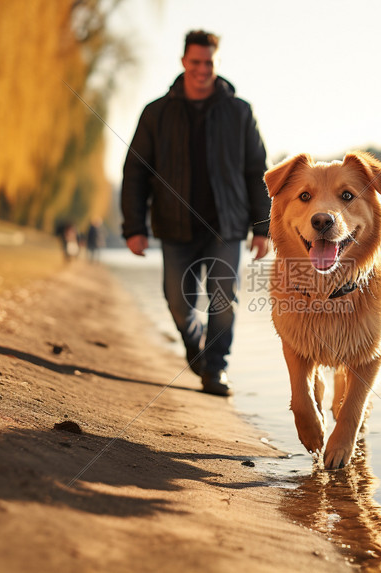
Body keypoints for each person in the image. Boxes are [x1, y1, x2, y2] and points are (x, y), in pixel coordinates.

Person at [120, 30, 271, 397]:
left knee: (222, 300)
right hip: (174, 225)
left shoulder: (239, 111)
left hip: (226, 224)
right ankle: (197, 351)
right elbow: (136, 171)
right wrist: (134, 227)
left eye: (209, 63)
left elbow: (257, 171)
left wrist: (263, 227)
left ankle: (215, 369)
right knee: (177, 302)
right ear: (184, 62)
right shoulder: (157, 113)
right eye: (196, 62)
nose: (203, 69)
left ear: (216, 64)